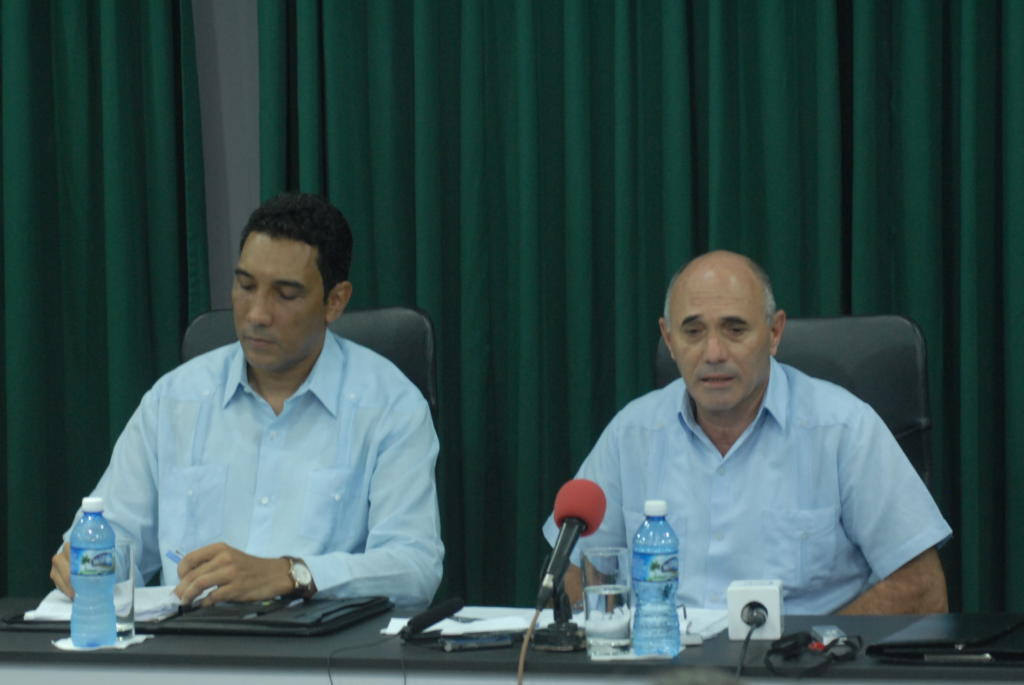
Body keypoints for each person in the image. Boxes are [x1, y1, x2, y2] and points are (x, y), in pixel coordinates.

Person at [50, 193, 443, 608]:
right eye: (245, 285)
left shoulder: (390, 405)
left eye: (285, 294)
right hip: (188, 654)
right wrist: (87, 562)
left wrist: (292, 573)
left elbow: (415, 567)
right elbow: (111, 535)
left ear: (335, 301)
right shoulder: (175, 400)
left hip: (321, 660)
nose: (256, 313)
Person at [543, 250, 951, 615]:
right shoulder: (631, 434)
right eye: (693, 331)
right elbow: (575, 569)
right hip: (664, 668)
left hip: (801, 672)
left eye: (735, 329)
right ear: (669, 339)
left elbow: (920, 590)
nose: (714, 353)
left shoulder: (844, 430)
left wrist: (812, 651)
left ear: (774, 333)